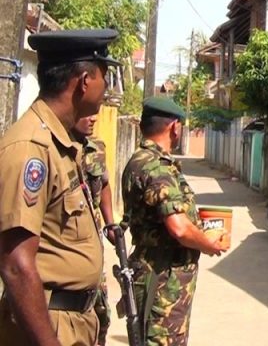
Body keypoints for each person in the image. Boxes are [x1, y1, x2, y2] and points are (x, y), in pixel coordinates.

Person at [0, 29, 121, 346]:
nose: (106, 89)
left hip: (73, 324)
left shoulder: (64, 144)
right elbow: (15, 264)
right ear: (84, 81)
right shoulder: (31, 148)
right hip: (49, 328)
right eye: (104, 78)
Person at [121, 97, 228, 346]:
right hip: (161, 281)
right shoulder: (156, 168)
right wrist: (207, 244)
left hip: (161, 278)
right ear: (174, 127)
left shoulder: (142, 160)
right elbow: (179, 228)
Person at [73, 114, 114, 346]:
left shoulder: (96, 148)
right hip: (69, 252)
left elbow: (104, 184)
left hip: (94, 248)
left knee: (100, 316)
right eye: (87, 112)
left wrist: (109, 224)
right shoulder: (53, 149)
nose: (94, 118)